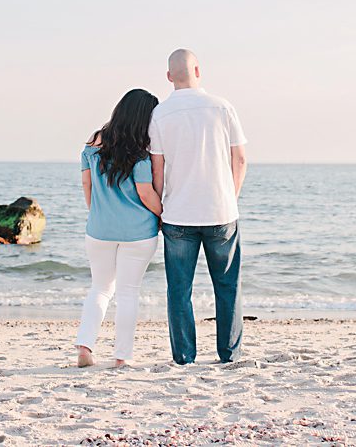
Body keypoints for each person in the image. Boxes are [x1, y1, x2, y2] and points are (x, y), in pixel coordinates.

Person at [148, 49, 248, 364]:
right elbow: (241, 159)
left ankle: (184, 357)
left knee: (179, 290)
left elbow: (157, 170)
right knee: (227, 285)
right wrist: (229, 197)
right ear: (198, 70)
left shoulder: (160, 115)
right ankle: (229, 353)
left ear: (168, 76)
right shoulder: (223, 107)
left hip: (178, 214)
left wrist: (161, 209)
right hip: (221, 210)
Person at [75, 89, 163, 368]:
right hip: (138, 233)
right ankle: (122, 356)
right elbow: (146, 193)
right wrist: (163, 216)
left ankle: (85, 346)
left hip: (99, 229)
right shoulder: (140, 152)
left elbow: (87, 185)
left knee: (100, 288)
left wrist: (97, 213)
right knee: (127, 292)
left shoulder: (93, 143)